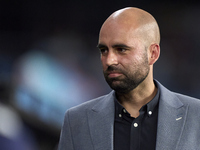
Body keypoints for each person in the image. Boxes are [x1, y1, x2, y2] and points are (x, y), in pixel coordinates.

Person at [58, 7, 200, 150]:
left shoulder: (196, 116)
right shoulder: (76, 120)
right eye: (103, 50)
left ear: (153, 54)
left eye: (121, 49)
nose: (109, 60)